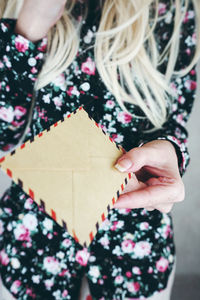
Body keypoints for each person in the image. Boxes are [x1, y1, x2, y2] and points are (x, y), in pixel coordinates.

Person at [0, 0, 199, 299]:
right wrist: (29, 28)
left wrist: (172, 153)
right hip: (33, 246)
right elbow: (4, 132)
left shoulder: (172, 7)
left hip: (135, 249)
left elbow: (174, 122)